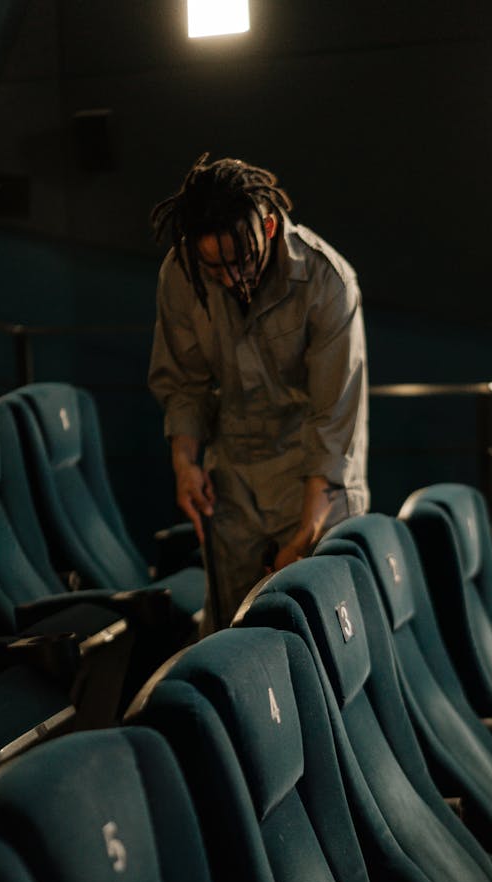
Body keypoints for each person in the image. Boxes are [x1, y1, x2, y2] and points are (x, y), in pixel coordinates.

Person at [148, 152, 369, 633]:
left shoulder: (328, 282)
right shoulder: (182, 274)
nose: (232, 278)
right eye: (216, 269)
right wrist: (184, 464)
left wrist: (306, 534)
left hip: (315, 485)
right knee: (236, 640)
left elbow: (334, 424)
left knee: (323, 638)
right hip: (234, 484)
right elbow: (184, 384)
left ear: (268, 229)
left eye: (242, 261)